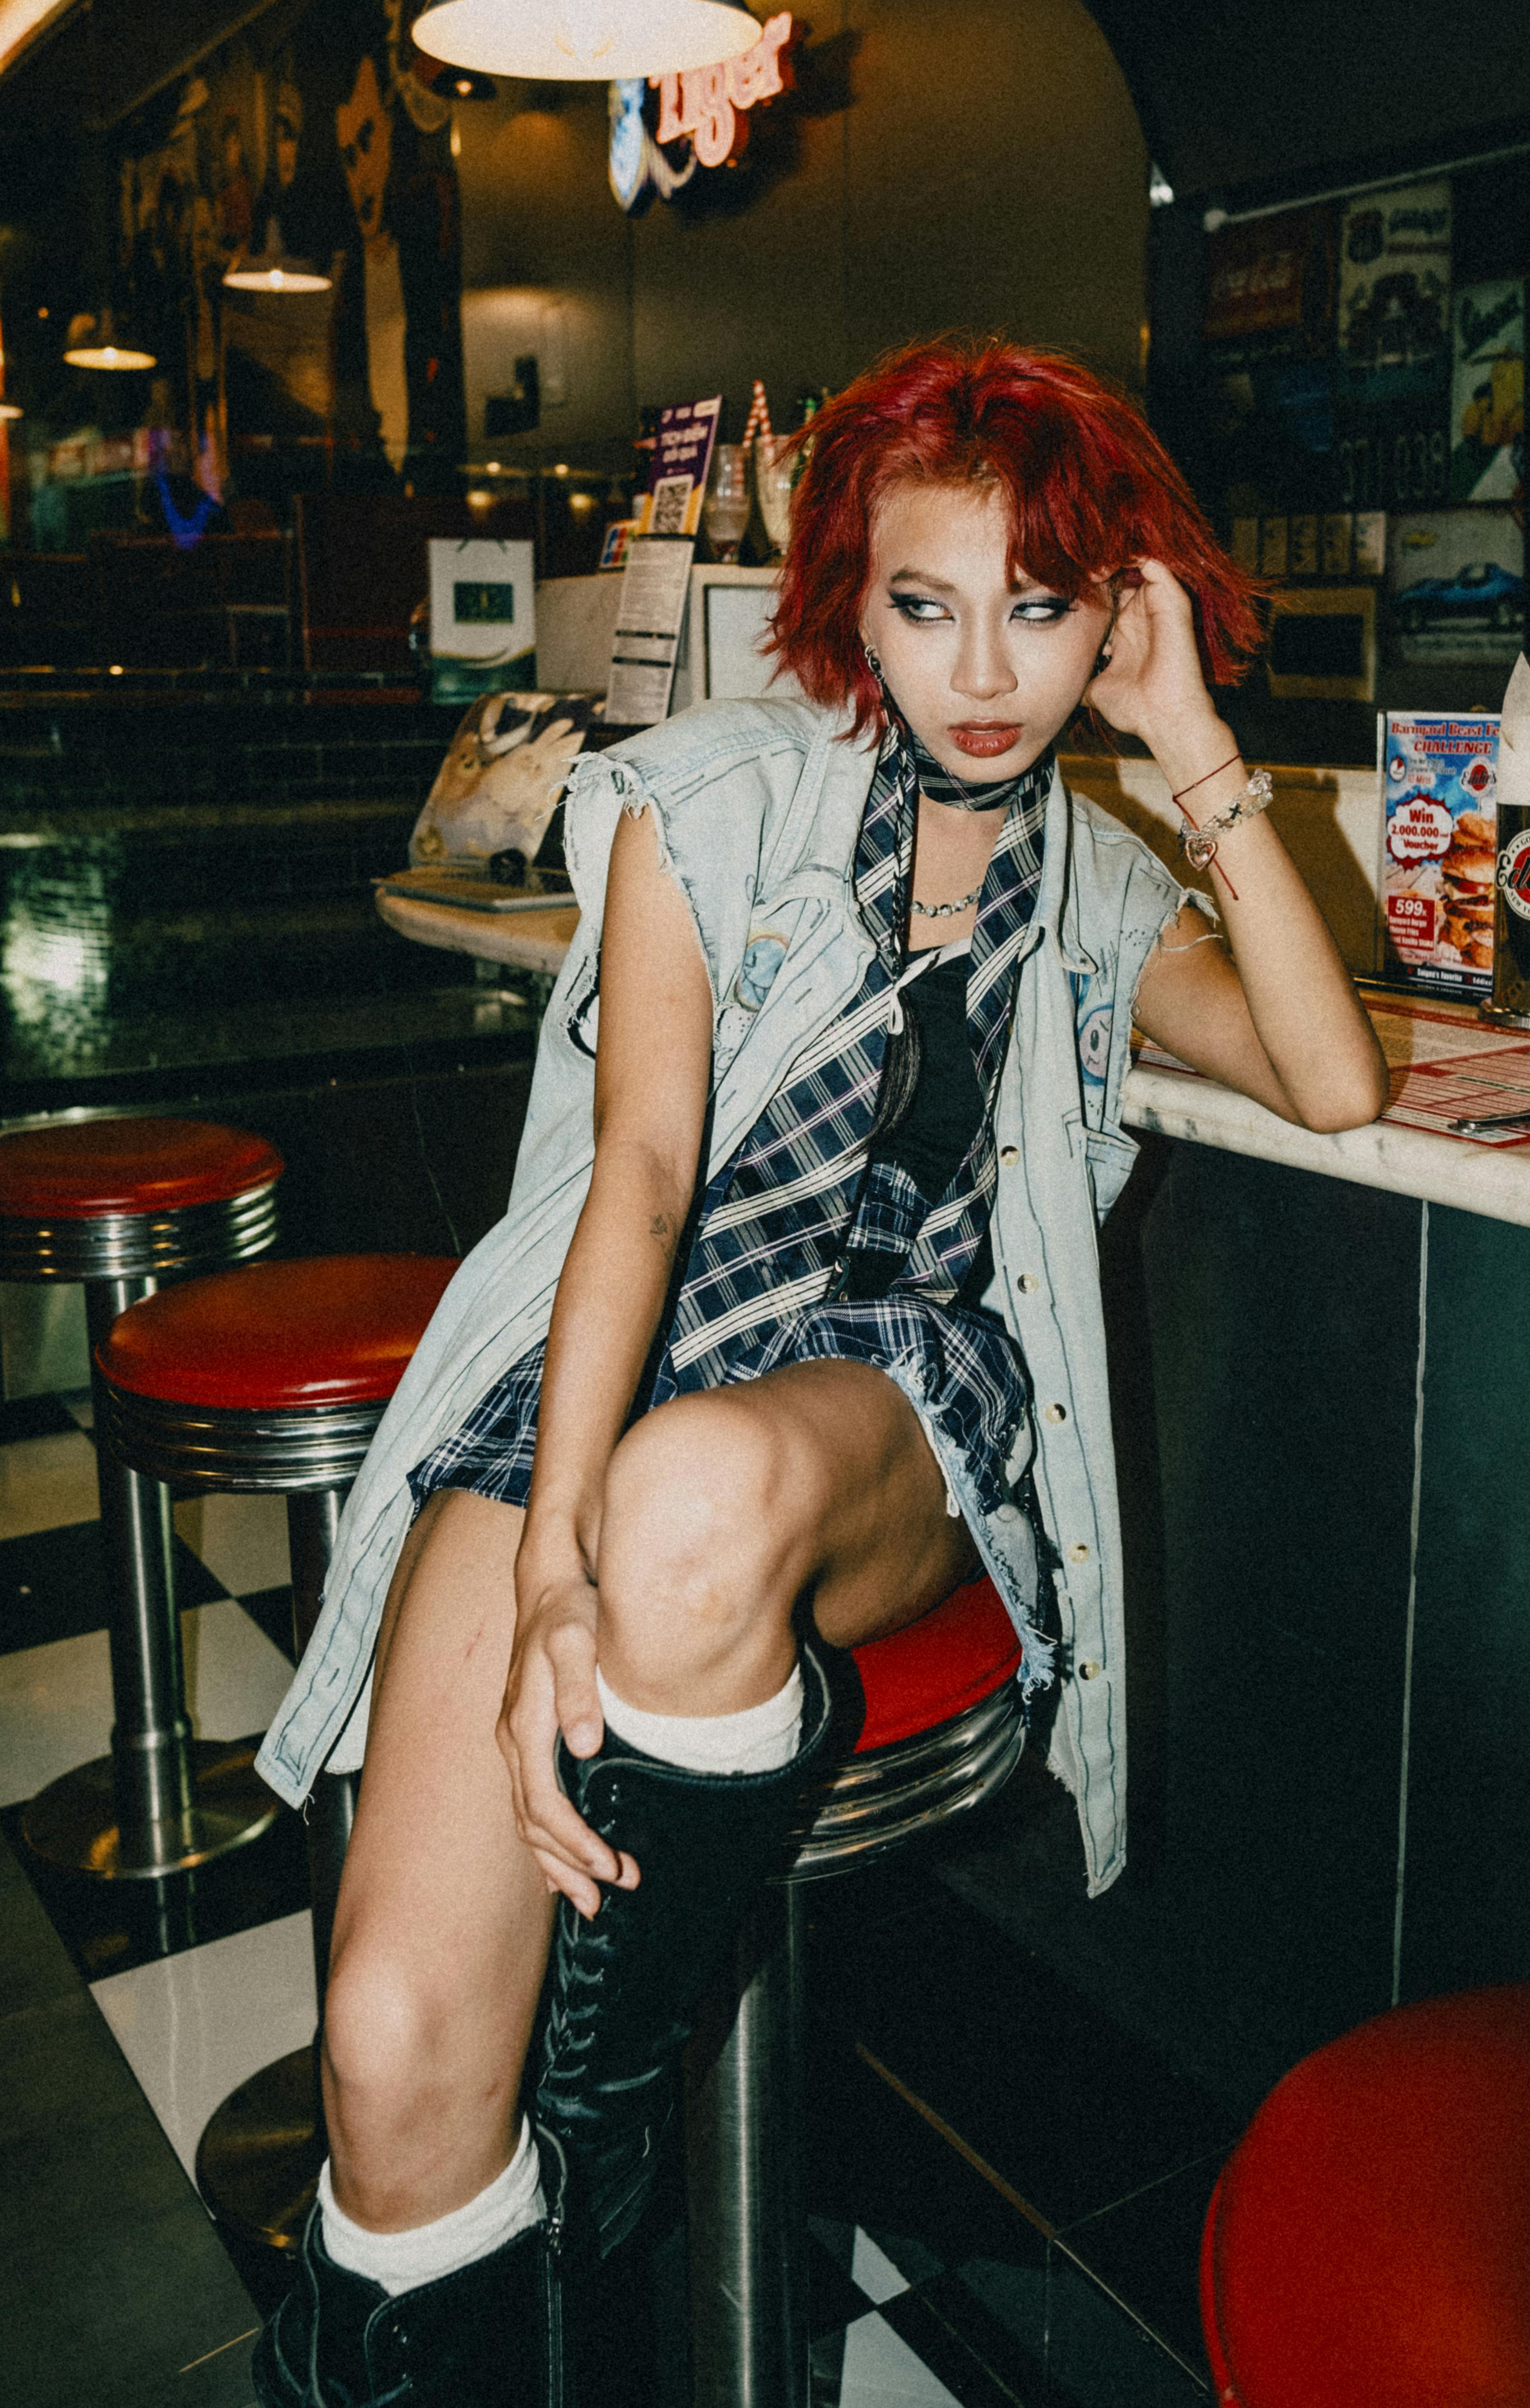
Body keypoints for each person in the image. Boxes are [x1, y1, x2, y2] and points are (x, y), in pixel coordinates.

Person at [252, 336, 1387, 2404]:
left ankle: (598, 2143)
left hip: (884, 1411)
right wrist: (544, 1563)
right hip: (608, 1370)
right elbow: (640, 1179)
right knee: (393, 2061)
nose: (986, 672)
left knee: (694, 1500)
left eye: (1041, 608)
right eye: (927, 606)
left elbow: (1329, 1077)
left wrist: (1188, 733)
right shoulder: (710, 797)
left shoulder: (1097, 882)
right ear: (850, 603)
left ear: (1111, 610)